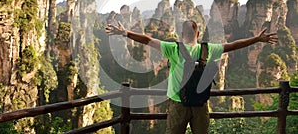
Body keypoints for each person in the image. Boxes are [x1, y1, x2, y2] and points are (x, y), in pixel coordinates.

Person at [105, 20, 278, 134]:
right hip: (200, 105)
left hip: (178, 104)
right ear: (198, 33)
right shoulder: (208, 49)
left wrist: (125, 33)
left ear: (181, 34)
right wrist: (257, 39)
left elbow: (147, 39)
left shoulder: (173, 48)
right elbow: (233, 45)